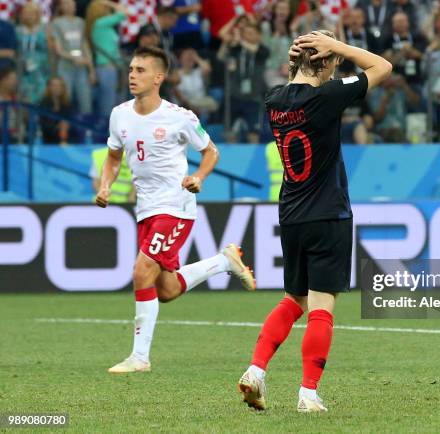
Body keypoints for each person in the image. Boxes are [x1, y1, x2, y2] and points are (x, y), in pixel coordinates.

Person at [237, 30, 391, 412]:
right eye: (333, 61)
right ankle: (308, 393)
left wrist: (303, 59)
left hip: (291, 214)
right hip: (328, 213)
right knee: (322, 305)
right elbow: (383, 66)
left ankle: (255, 371)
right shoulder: (328, 96)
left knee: (294, 299)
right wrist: (338, 47)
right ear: (326, 61)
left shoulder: (274, 100)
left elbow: (296, 81)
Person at [96, 46, 256, 374]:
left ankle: (139, 358)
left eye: (140, 70)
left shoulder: (180, 117)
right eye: (131, 69)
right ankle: (224, 261)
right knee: (165, 290)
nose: (132, 75)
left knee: (141, 272)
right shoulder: (119, 114)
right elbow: (113, 156)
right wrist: (106, 185)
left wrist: (198, 177)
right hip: (146, 209)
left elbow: (211, 152)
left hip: (176, 207)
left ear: (158, 77)